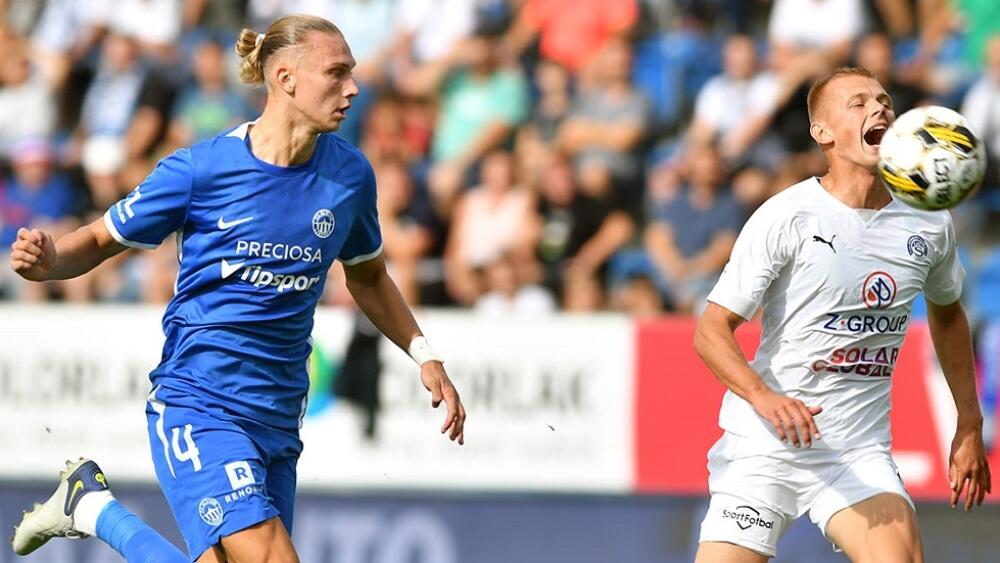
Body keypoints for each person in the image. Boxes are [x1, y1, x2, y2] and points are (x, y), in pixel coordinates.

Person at [9, 14, 466, 563]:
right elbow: (102, 238)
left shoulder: (349, 176)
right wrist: (51, 260)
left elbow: (368, 275)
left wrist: (424, 353)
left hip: (278, 416)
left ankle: (91, 508)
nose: (353, 88)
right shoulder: (202, 170)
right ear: (285, 78)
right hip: (201, 403)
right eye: (337, 72)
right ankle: (91, 509)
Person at [693, 67, 991, 562]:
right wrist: (763, 397)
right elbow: (710, 330)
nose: (879, 109)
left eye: (884, 101)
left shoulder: (929, 221)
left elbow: (947, 314)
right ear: (823, 132)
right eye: (859, 103)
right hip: (765, 445)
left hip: (855, 451)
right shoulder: (787, 215)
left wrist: (969, 421)